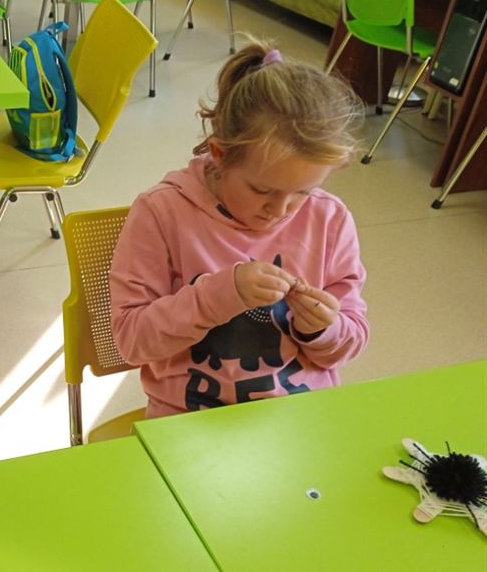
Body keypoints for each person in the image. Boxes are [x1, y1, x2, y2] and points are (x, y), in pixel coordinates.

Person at [110, 41, 369, 418]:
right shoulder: (161, 213)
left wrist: (324, 330)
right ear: (219, 155)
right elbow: (132, 342)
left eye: (303, 191)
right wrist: (216, 297)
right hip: (187, 417)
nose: (280, 210)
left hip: (298, 416)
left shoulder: (329, 219)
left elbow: (351, 339)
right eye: (262, 190)